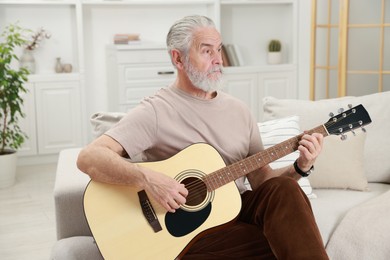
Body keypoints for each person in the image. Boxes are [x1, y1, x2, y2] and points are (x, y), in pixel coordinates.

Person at [77, 15, 328, 259]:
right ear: (178, 58)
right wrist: (148, 179)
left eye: (219, 50)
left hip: (236, 210)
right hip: (192, 232)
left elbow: (263, 182)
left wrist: (300, 167)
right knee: (289, 239)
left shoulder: (239, 111)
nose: (218, 60)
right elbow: (89, 158)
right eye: (207, 51)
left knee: (284, 191)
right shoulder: (155, 110)